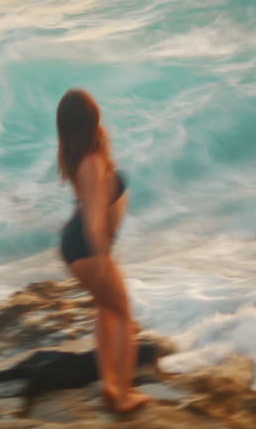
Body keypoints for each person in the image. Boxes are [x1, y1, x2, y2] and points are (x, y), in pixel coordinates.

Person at [56, 89, 151, 413]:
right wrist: (102, 260)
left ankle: (110, 384)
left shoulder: (79, 156)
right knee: (125, 316)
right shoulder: (93, 162)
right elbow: (95, 220)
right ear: (92, 118)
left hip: (77, 246)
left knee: (105, 309)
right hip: (89, 248)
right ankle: (124, 395)